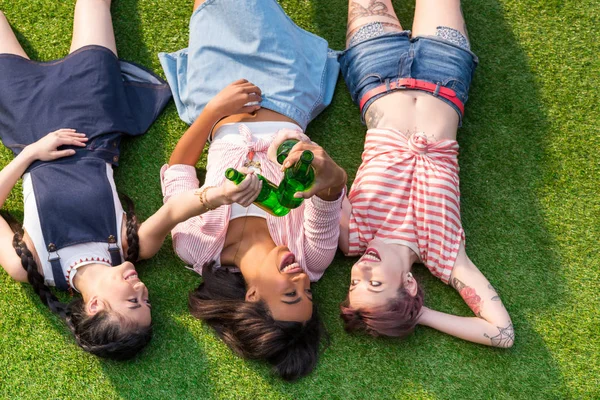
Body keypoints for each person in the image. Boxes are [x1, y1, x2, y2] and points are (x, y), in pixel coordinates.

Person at [157, 0, 346, 380]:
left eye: (291, 294)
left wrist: (213, 110)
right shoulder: (312, 257)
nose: (303, 282)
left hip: (218, 97)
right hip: (285, 90)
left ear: (253, 297)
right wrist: (329, 173)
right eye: (308, 294)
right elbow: (331, 190)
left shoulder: (196, 246)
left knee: (209, 8)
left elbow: (178, 169)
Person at [0, 0, 172, 359]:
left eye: (132, 300)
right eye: (146, 299)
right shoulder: (128, 248)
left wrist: (32, 153)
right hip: (94, 112)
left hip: (27, 121)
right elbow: (179, 209)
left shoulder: (28, 264)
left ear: (94, 304)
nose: (141, 288)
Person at [337, 0, 514, 348]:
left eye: (354, 284)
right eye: (375, 285)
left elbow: (322, 187)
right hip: (445, 73)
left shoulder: (352, 237)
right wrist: (418, 314)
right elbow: (502, 334)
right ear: (409, 284)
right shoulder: (444, 256)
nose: (361, 273)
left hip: (375, 70)